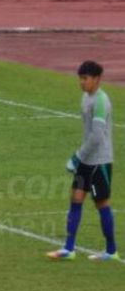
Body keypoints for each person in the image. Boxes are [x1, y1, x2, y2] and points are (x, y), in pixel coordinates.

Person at [48, 61, 118, 261]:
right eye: (80, 78)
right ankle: (69, 249)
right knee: (76, 198)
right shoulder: (85, 98)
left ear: (97, 79)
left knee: (101, 203)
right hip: (86, 160)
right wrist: (81, 158)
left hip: (100, 161)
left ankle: (111, 251)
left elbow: (97, 137)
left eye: (85, 78)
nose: (82, 82)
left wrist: (78, 156)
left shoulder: (101, 101)